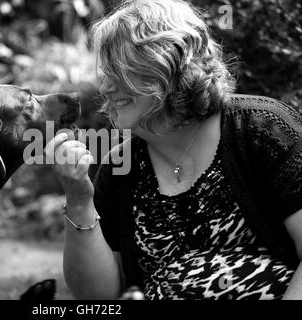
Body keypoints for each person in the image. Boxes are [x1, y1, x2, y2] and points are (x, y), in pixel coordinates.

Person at [46, 0, 302, 299]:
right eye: (106, 73)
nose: (105, 88)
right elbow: (98, 297)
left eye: (120, 71)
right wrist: (78, 199)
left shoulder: (262, 130)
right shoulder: (121, 165)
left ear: (167, 68)